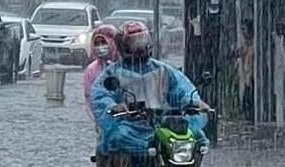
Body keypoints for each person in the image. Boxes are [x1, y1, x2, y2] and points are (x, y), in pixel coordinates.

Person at [90, 20, 209, 156]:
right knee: (118, 137)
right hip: (131, 126)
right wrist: (113, 107)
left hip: (164, 124)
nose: (140, 47)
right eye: (135, 43)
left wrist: (194, 102)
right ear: (123, 46)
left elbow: (182, 90)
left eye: (142, 41)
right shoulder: (113, 73)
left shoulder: (164, 70)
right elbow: (101, 96)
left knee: (196, 137)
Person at [82, 24, 120, 126]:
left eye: (103, 42)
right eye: (97, 43)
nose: (100, 47)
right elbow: (89, 97)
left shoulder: (125, 66)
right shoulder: (92, 69)